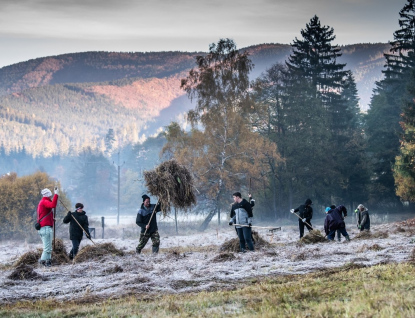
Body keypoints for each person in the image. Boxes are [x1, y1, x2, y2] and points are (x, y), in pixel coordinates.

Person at [37, 187, 59, 267]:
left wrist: (51, 219)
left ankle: (48, 263)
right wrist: (56, 194)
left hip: (43, 228)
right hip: (46, 229)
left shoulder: (41, 202)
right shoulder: (45, 201)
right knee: (47, 249)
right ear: (48, 194)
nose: (51, 196)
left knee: (48, 248)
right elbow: (53, 205)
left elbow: (43, 214)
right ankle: (42, 264)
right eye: (50, 194)